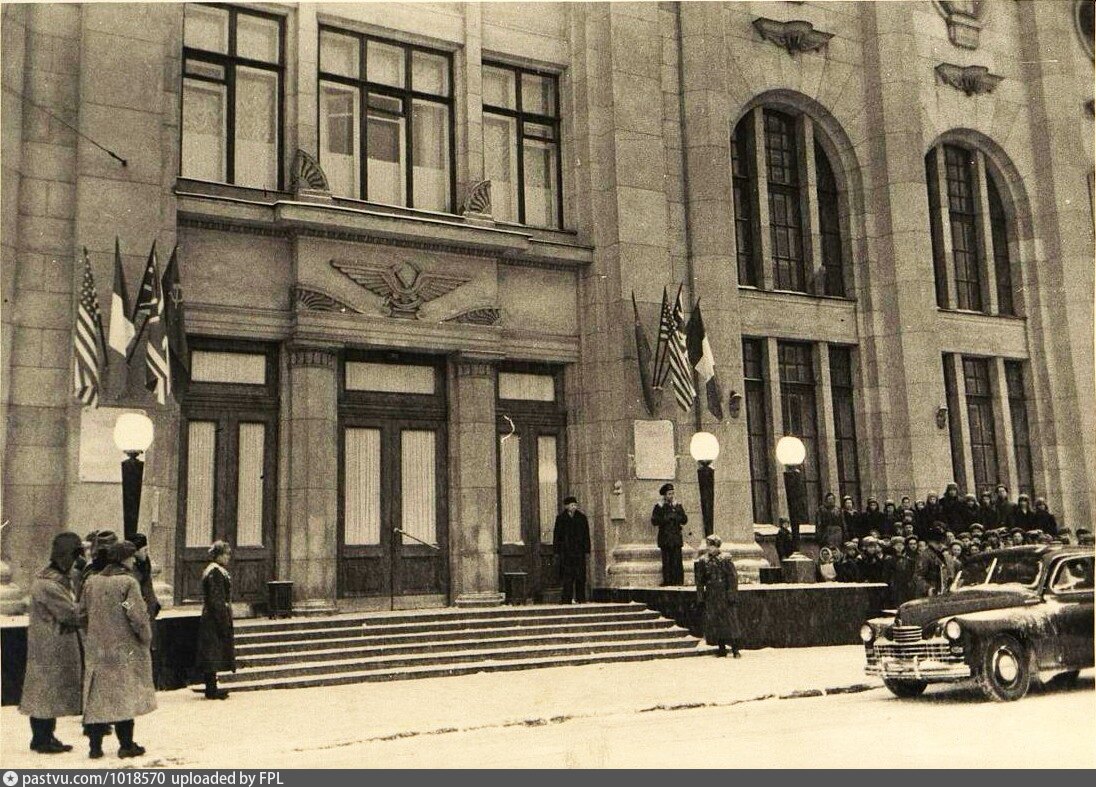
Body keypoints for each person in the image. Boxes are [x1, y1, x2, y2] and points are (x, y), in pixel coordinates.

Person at [80, 541, 155, 759]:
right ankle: (126, 744)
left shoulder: (92, 582)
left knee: (98, 697)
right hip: (123, 648)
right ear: (124, 559)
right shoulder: (127, 583)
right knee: (123, 696)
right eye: (131, 557)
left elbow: (82, 614)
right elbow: (134, 613)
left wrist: (94, 633)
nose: (133, 561)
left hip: (98, 649)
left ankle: (95, 746)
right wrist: (145, 636)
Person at [19, 532, 85, 754]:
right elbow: (70, 614)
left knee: (49, 691)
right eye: (75, 556)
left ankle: (46, 735)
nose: (76, 563)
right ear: (66, 557)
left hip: (51, 645)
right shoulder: (50, 585)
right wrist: (86, 609)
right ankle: (41, 738)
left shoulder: (56, 581)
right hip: (49, 647)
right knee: (45, 692)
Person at [196, 541, 235, 700]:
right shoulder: (215, 572)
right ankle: (211, 689)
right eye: (226, 554)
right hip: (214, 618)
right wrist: (224, 621)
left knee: (212, 652)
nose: (228, 557)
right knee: (212, 653)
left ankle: (212, 686)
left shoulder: (214, 571)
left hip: (212, 617)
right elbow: (217, 599)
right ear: (218, 555)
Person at [693, 535, 740, 658]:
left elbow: (732, 578)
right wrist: (700, 597)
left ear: (717, 546)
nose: (709, 548)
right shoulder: (704, 561)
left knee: (730, 622)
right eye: (708, 545)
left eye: (711, 545)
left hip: (724, 594)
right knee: (717, 622)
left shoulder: (725, 559)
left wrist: (731, 594)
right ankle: (721, 648)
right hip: (712, 595)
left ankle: (735, 648)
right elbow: (700, 581)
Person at [553, 496, 591, 604]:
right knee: (567, 576)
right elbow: (557, 536)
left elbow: (586, 535)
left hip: (579, 552)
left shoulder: (582, 518)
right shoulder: (561, 518)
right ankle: (566, 599)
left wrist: (587, 549)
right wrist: (556, 551)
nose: (574, 507)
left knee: (580, 576)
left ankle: (581, 598)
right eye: (571, 505)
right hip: (566, 553)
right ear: (566, 506)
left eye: (575, 505)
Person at [651, 484, 688, 586]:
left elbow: (684, 519)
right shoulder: (659, 506)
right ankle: (668, 581)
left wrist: (676, 517)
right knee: (666, 561)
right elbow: (654, 521)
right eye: (669, 494)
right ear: (664, 495)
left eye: (672, 493)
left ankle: (679, 581)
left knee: (677, 561)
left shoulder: (677, 506)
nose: (671, 496)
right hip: (665, 538)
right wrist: (665, 518)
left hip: (676, 538)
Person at [913, 525, 952, 598]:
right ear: (930, 542)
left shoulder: (940, 555)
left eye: (941, 542)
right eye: (937, 543)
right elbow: (918, 576)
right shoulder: (924, 556)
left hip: (941, 593)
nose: (941, 545)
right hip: (928, 595)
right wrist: (929, 589)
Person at [892, 535, 920, 606]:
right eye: (911, 544)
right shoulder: (899, 558)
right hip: (900, 585)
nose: (913, 546)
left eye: (914, 544)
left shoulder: (919, 556)